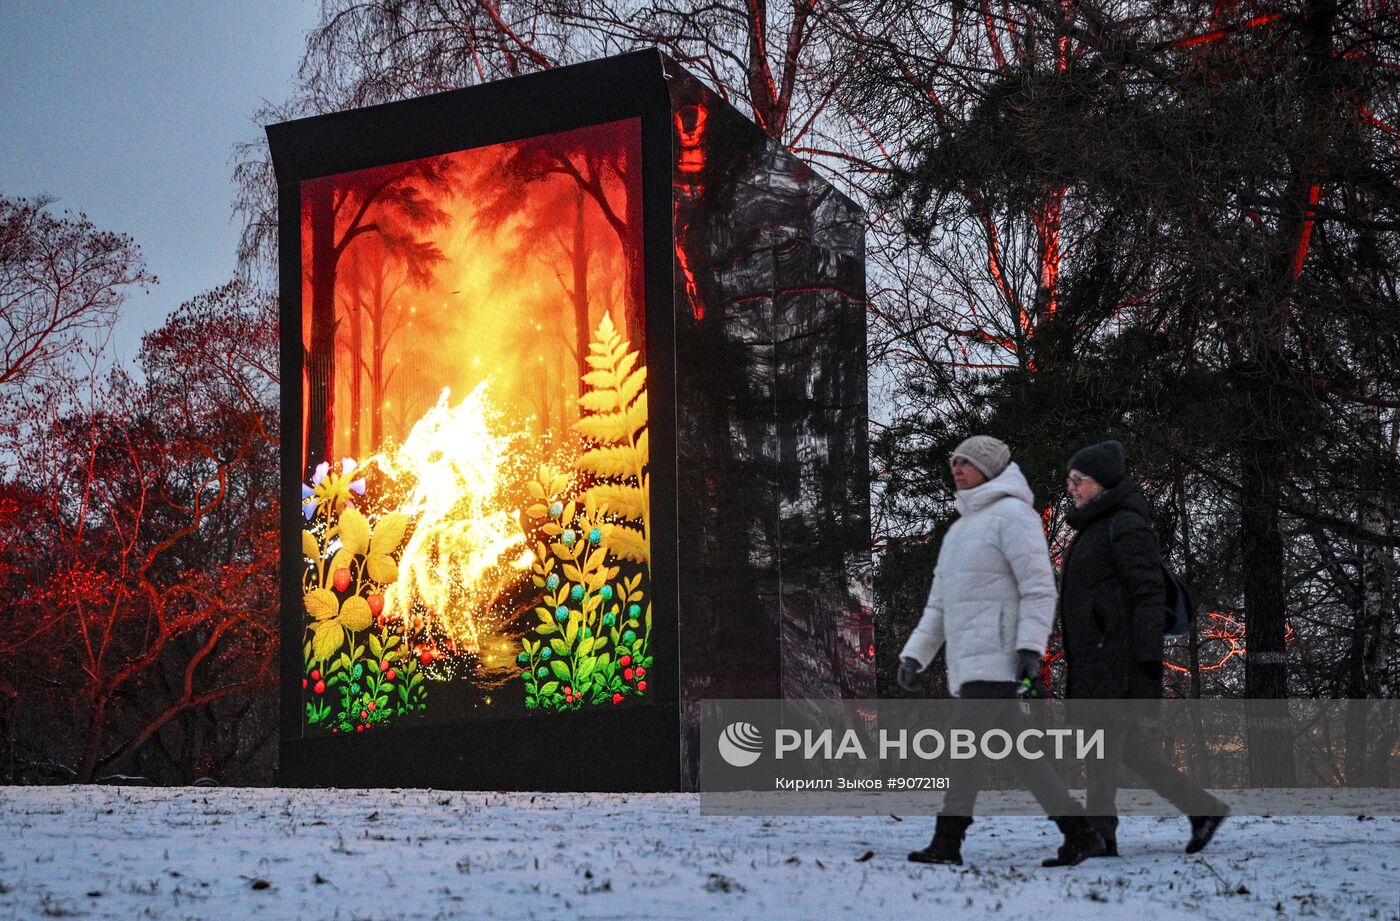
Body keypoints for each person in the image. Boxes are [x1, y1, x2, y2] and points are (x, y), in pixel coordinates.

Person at [898, 435, 1106, 868]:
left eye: (966, 462)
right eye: (953, 462)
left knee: (964, 748)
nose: (956, 468)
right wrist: (914, 655)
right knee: (1023, 756)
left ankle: (948, 841)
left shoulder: (1014, 516)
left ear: (990, 468)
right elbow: (939, 604)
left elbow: (1037, 588)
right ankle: (1080, 833)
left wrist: (1030, 647)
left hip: (998, 655)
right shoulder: (959, 530)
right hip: (968, 660)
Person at [1059, 440, 1229, 857]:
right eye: (1070, 481)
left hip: (1118, 659)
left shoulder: (1125, 525)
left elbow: (1149, 591)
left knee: (1102, 744)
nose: (1072, 488)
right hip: (1098, 657)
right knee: (1127, 749)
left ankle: (1102, 833)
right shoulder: (1095, 527)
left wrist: (1148, 659)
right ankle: (1201, 810)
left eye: (1080, 481)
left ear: (1103, 483)